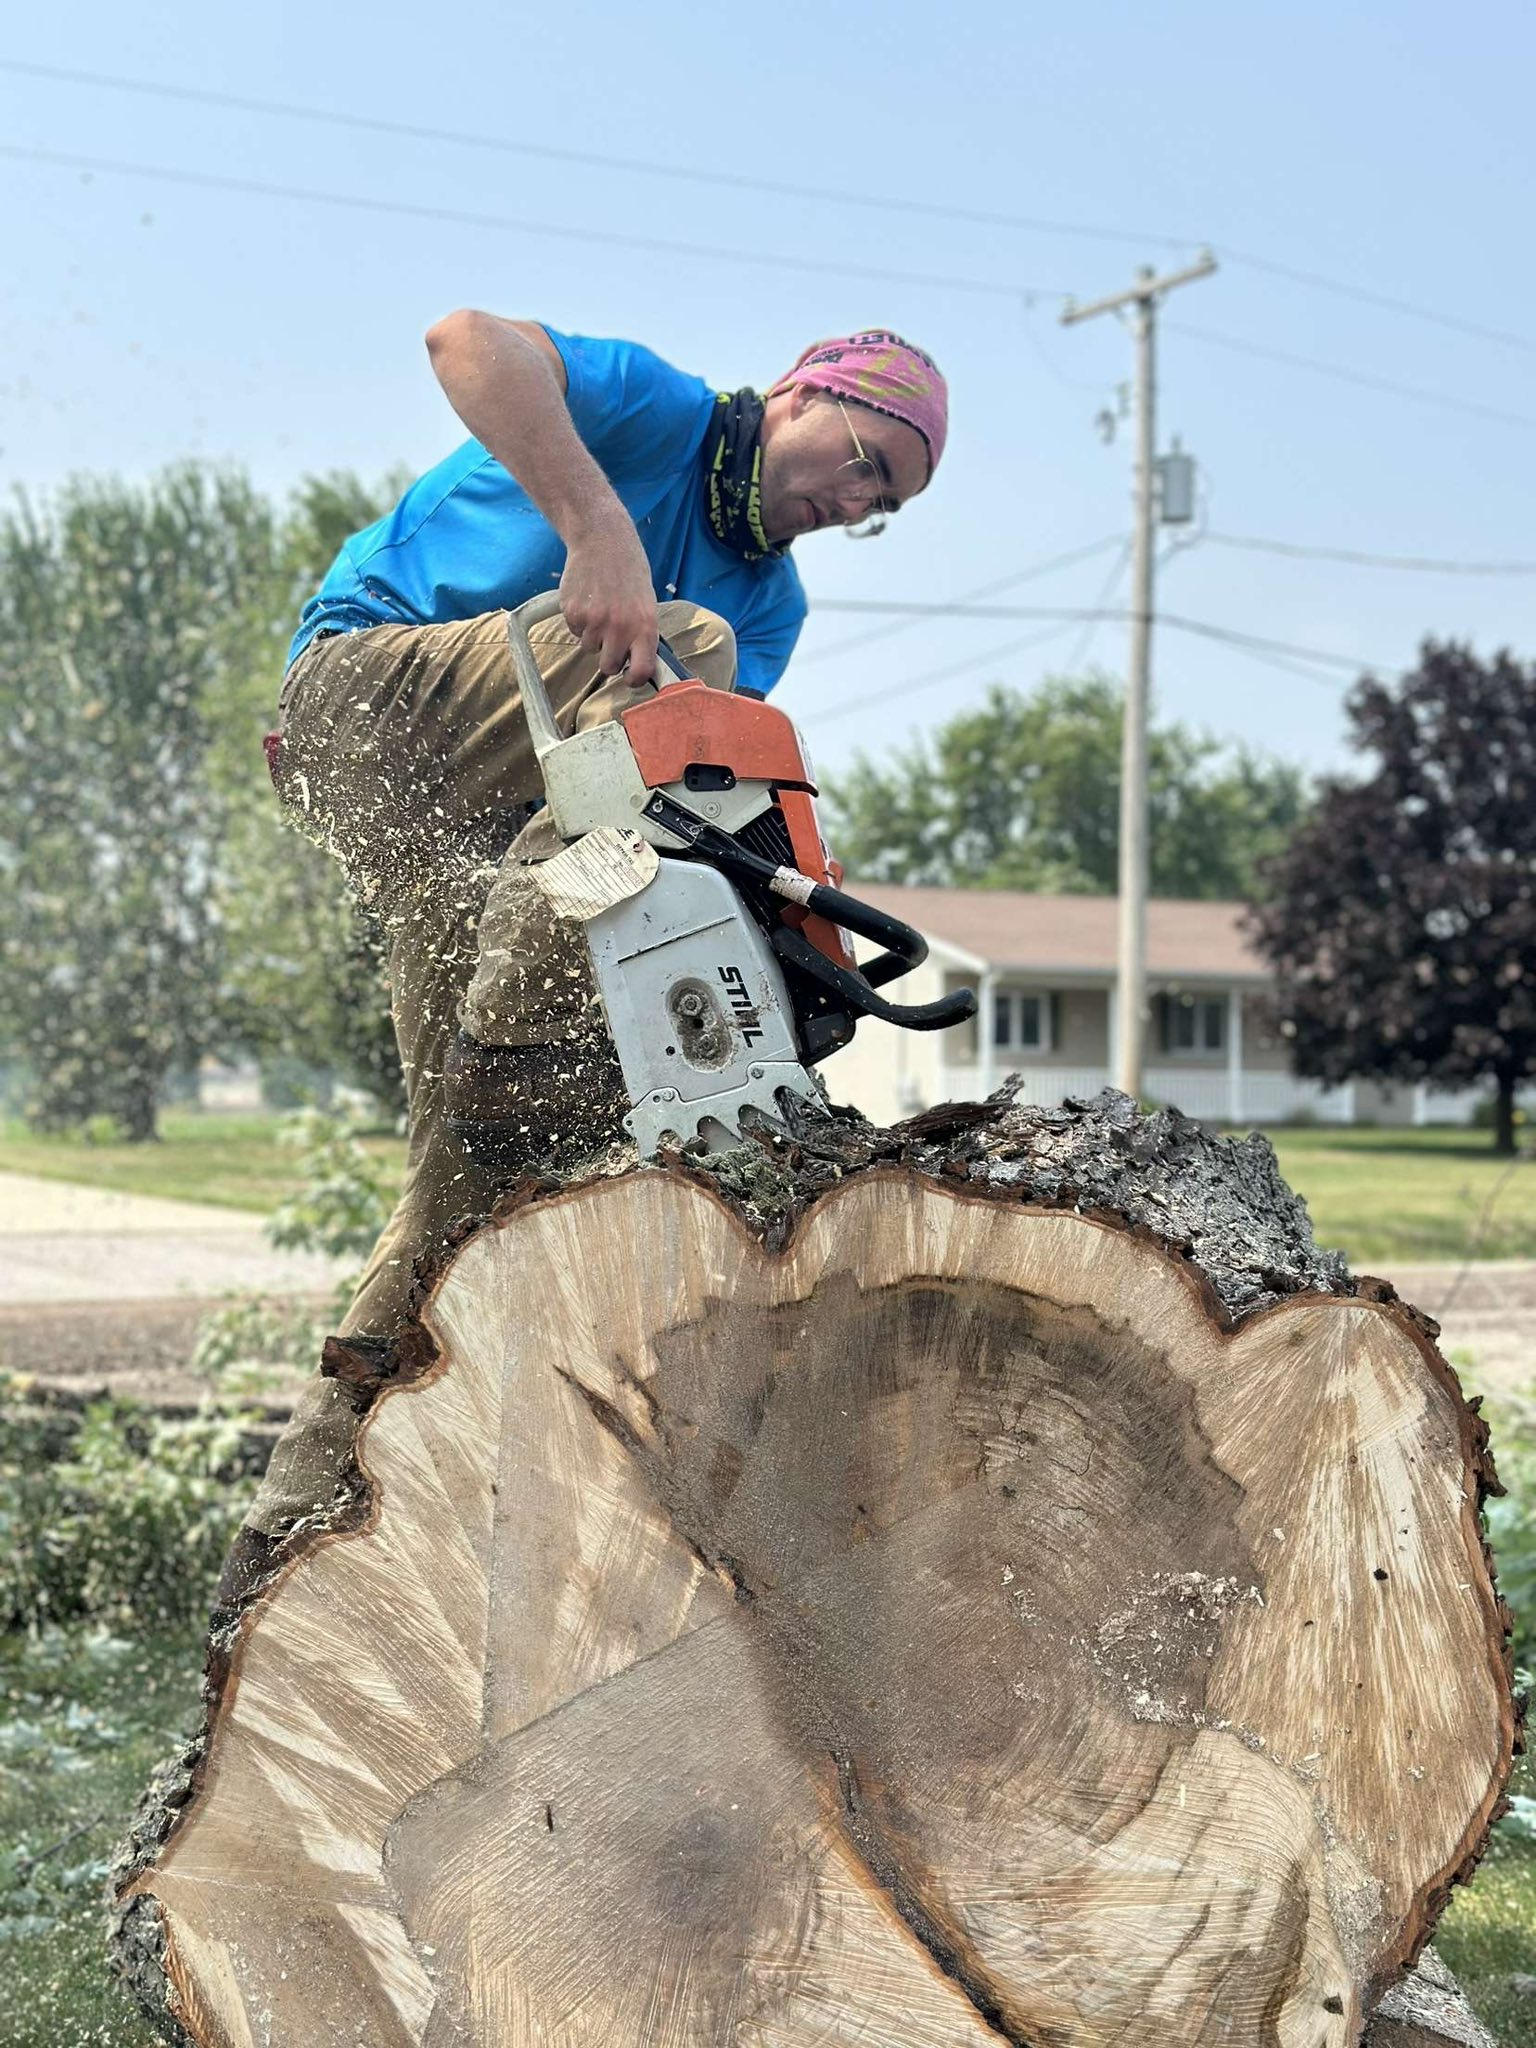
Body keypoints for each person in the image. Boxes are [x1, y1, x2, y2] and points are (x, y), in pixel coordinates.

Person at [239, 319, 949, 1556]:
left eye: (882, 502)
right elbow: (464, 341)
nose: (855, 503)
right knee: (693, 658)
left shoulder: (775, 601)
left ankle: (300, 1512)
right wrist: (596, 522)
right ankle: (517, 1028)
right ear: (803, 395)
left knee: (472, 1166)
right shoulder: (652, 408)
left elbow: (684, 805)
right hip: (366, 696)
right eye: (864, 461)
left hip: (491, 833)